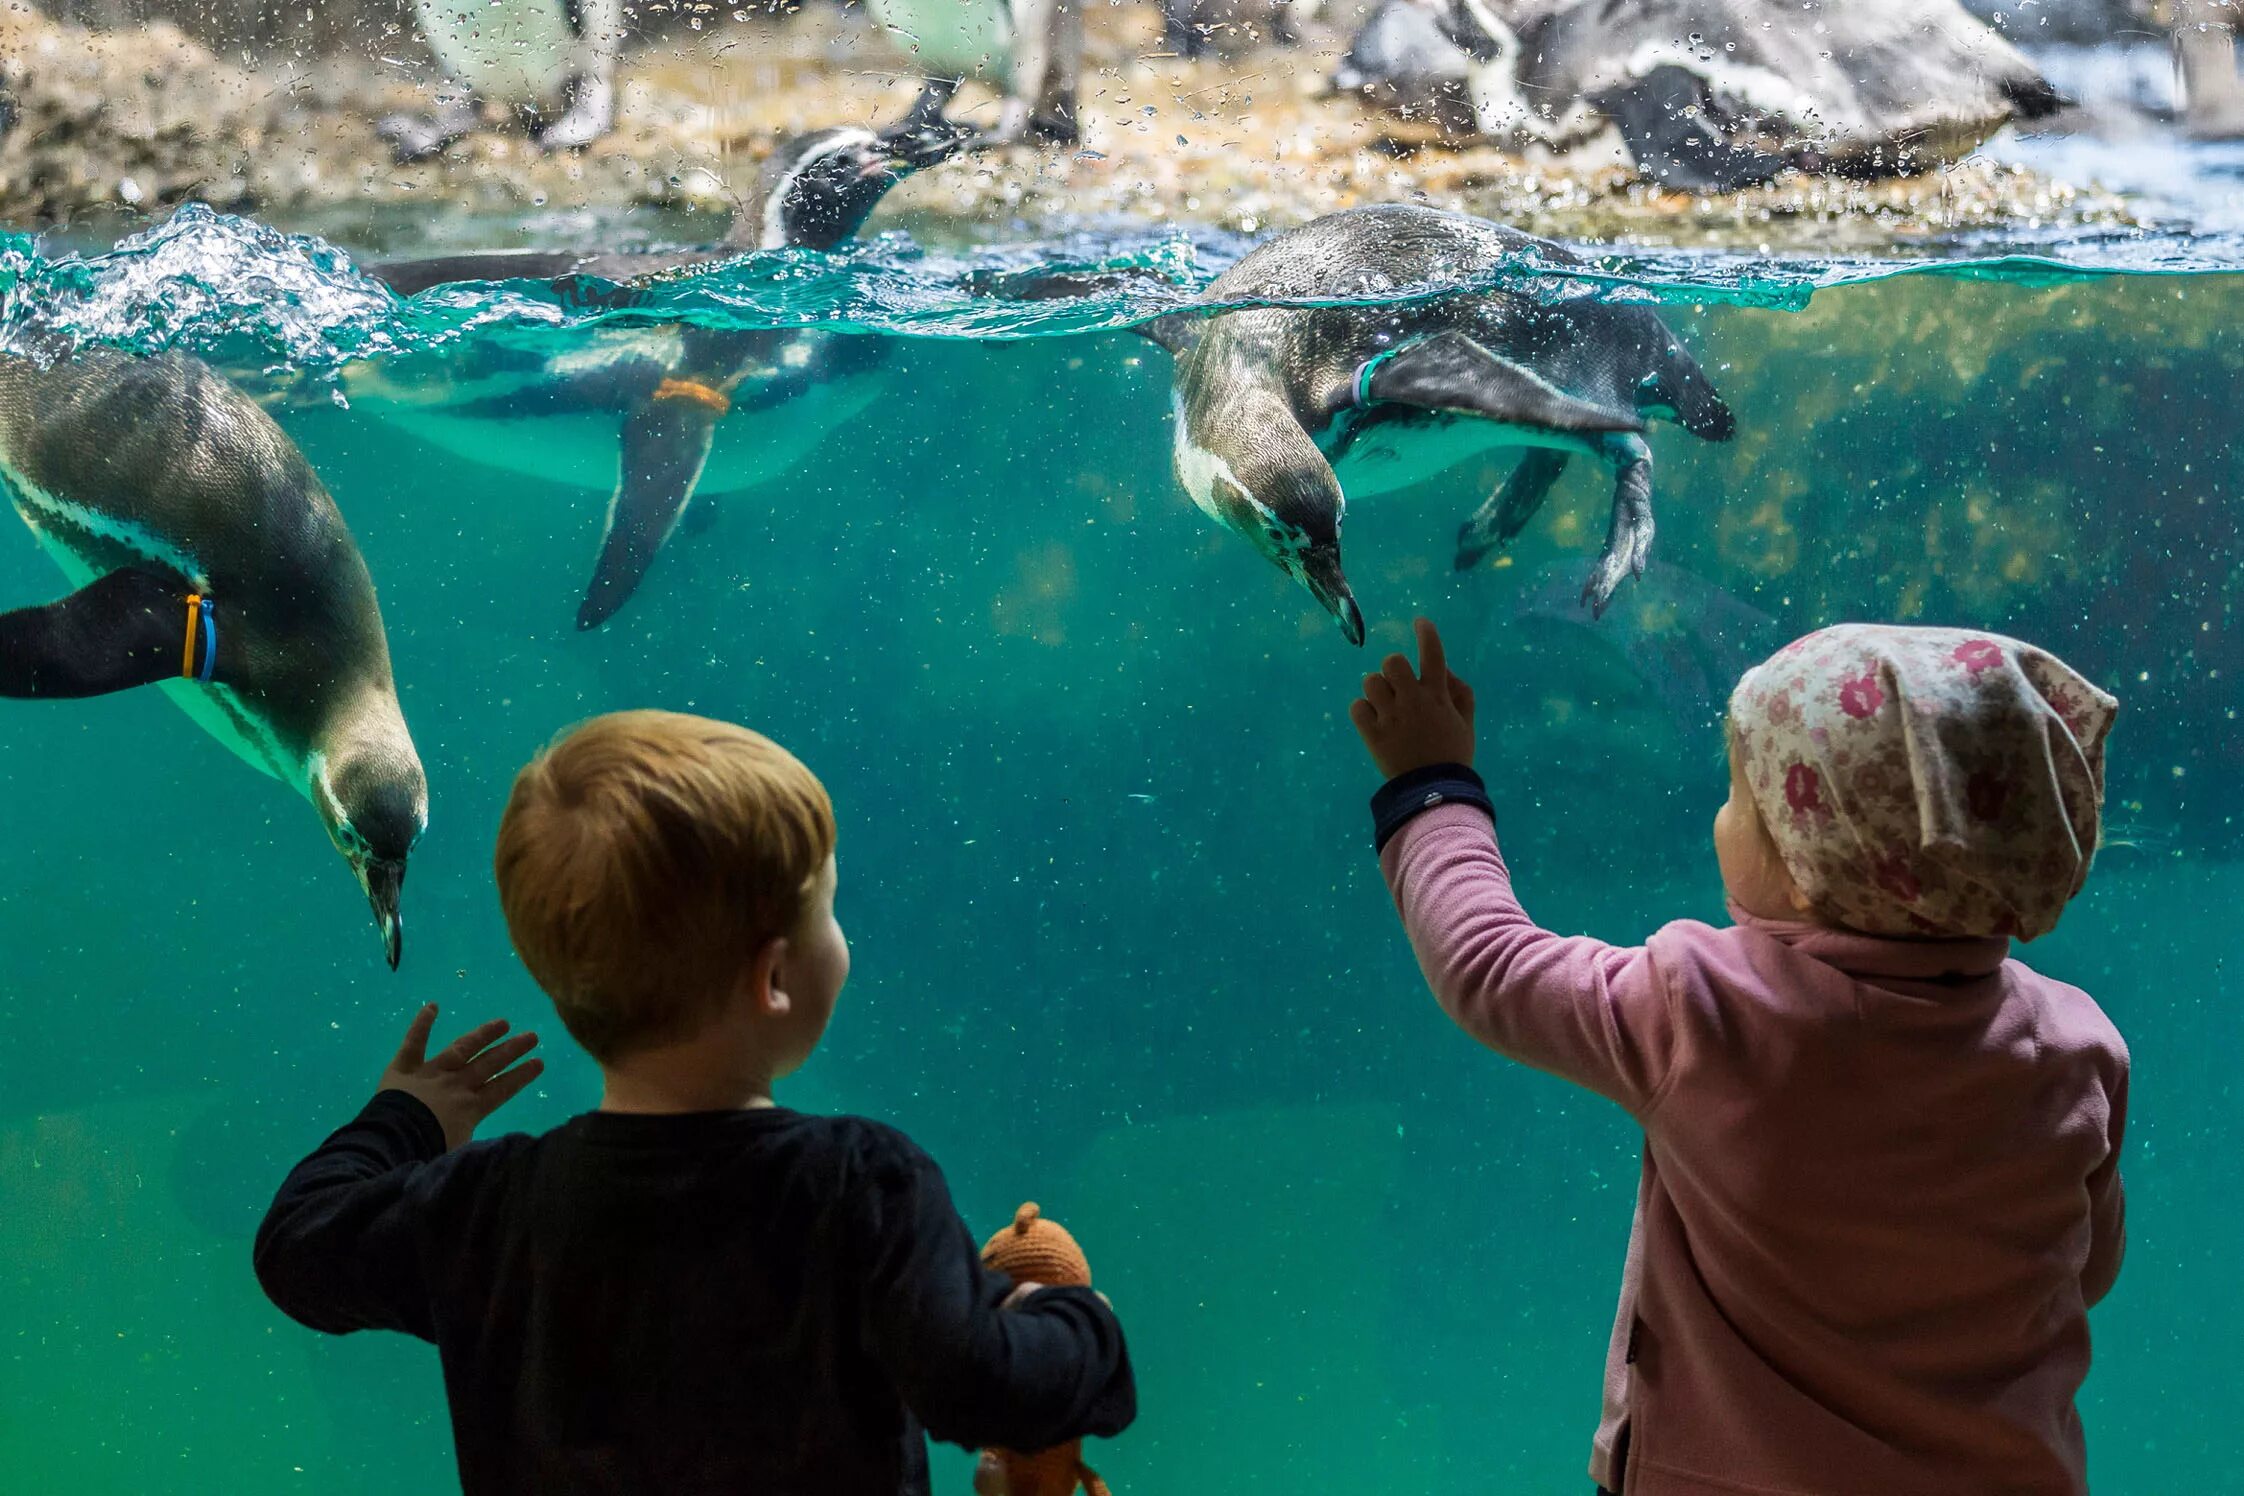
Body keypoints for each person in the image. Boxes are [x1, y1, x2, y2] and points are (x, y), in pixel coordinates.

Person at [255, 709, 1134, 1495]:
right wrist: (1076, 1325)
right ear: (776, 977)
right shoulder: (863, 1187)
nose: (843, 933)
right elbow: (983, 1387)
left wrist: (406, 1119)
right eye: (827, 909)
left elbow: (298, 1246)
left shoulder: (492, 1210)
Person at [1349, 619, 2127, 1495]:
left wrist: (1431, 783)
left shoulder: (1702, 1009)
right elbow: (2083, 1269)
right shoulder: (2076, 1048)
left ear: (1805, 866)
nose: (1722, 818)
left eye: (1738, 800)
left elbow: (1488, 963)